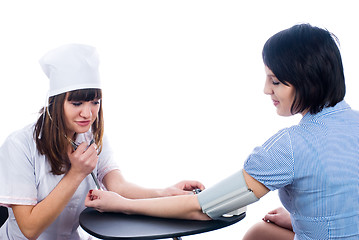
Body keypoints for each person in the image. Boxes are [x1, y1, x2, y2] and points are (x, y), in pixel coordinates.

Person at [85, 24, 359, 240]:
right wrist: (301, 218)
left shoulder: (290, 146)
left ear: (306, 81)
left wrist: (122, 204)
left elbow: (204, 207)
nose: (266, 90)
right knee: (259, 234)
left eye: (274, 81)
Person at [0, 43, 204, 240]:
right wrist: (76, 174)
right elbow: (29, 228)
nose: (88, 113)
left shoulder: (92, 137)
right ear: (55, 102)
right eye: (77, 103)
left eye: (95, 102)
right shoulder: (19, 145)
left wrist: (164, 193)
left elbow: (118, 187)